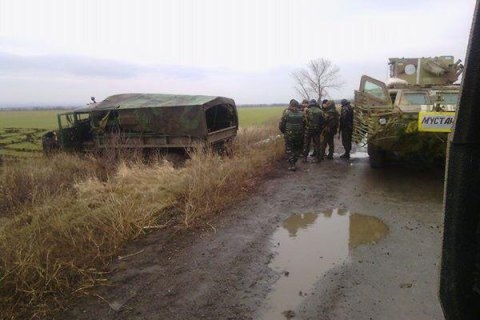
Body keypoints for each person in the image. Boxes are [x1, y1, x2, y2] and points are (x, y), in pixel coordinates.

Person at [279, 99, 305, 171]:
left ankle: (292, 164)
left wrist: (285, 132)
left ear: (290, 106)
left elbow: (281, 125)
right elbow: (305, 125)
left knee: (289, 149)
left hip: (289, 135)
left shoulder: (286, 114)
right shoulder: (302, 114)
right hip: (299, 135)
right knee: (297, 149)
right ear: (297, 106)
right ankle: (294, 161)